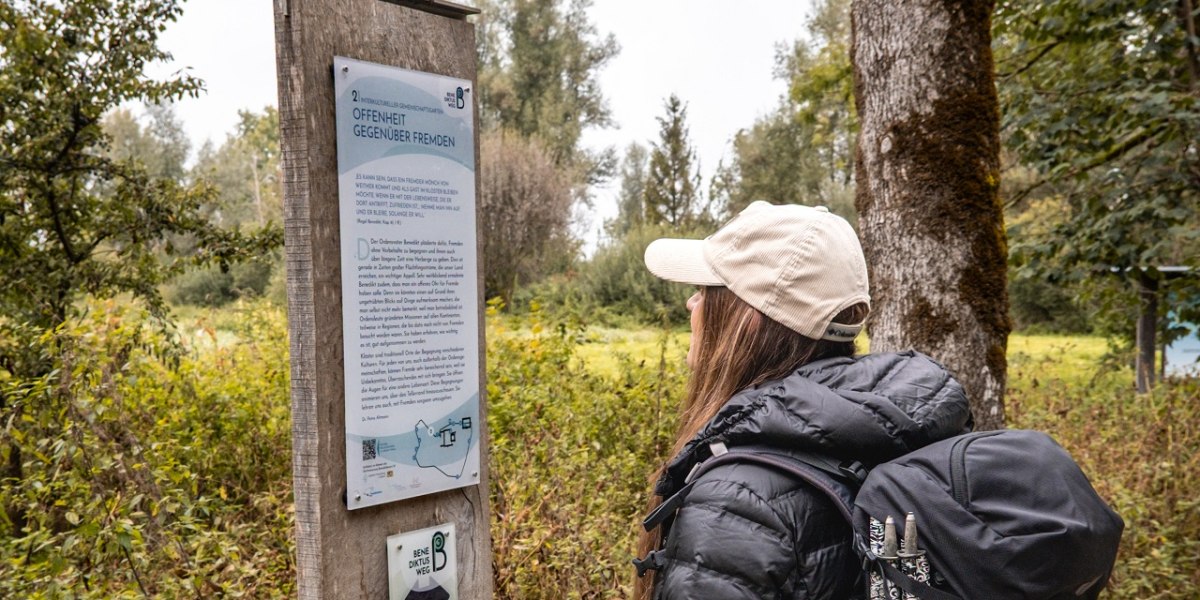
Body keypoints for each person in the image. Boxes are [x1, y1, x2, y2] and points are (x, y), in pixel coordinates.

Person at [633, 201, 972, 600]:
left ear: (748, 319)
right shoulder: (904, 432)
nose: (692, 304)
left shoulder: (735, 502)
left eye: (705, 291)